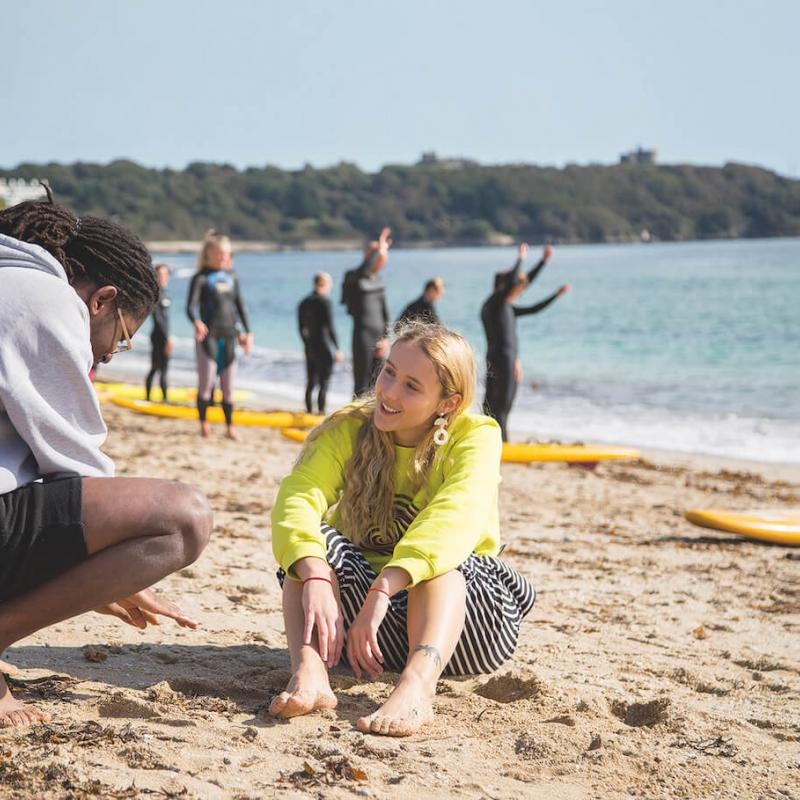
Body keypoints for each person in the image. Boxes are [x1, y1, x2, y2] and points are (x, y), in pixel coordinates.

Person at [0, 196, 213, 728]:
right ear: (102, 300)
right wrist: (112, 572)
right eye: (118, 339)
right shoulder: (43, 299)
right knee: (184, 518)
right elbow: (77, 466)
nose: (105, 357)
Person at [269, 322, 535, 737]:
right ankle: (309, 670)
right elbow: (297, 499)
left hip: (463, 627)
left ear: (448, 402)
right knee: (308, 549)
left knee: (446, 564)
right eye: (388, 372)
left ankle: (416, 687)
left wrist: (385, 586)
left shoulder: (477, 436)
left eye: (412, 386)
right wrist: (318, 574)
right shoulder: (350, 429)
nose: (389, 392)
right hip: (359, 638)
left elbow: (452, 518)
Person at [481, 243, 570, 442]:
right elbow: (518, 280)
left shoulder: (504, 308)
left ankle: (491, 443)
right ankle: (501, 446)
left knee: (493, 405)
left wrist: (556, 294)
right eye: (517, 288)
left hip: (501, 359)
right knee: (501, 407)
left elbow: (534, 309)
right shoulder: (497, 303)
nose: (520, 291)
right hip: (502, 360)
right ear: (503, 287)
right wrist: (525, 259)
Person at [186, 230, 254, 440]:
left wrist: (247, 332)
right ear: (208, 254)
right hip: (209, 338)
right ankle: (204, 424)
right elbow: (190, 307)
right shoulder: (201, 278)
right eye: (219, 254)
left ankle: (229, 427)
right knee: (206, 386)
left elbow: (239, 307)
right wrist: (196, 322)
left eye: (227, 253)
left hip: (230, 337)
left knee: (228, 388)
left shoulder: (232, 277)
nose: (224, 257)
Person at [341, 227, 392, 397]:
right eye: (380, 258)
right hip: (362, 336)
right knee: (361, 382)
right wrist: (379, 250)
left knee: (378, 382)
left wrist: (386, 338)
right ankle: (356, 420)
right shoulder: (353, 277)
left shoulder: (379, 280)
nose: (383, 262)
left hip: (379, 337)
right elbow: (363, 271)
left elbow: (384, 312)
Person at [298, 272, 343, 415]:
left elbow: (301, 328)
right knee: (324, 381)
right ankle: (321, 411)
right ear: (324, 284)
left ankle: (309, 410)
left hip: (309, 346)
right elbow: (330, 327)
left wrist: (306, 343)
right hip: (323, 346)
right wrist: (337, 348)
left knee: (311, 381)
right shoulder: (325, 302)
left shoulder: (304, 302)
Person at [144, 263, 173, 402]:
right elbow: (159, 319)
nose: (163, 277)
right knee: (157, 368)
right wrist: (167, 339)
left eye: (165, 274)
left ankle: (162, 399)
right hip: (158, 337)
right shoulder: (155, 295)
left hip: (164, 336)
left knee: (162, 369)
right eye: (160, 275)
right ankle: (153, 399)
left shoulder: (166, 294)